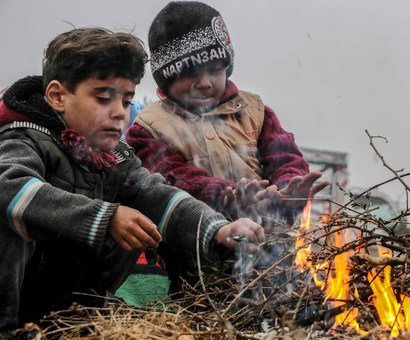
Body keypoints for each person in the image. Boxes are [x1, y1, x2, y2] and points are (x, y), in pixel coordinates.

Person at [0, 27, 264, 332]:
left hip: (58, 311)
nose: (119, 114)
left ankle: (79, 328)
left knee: (146, 220)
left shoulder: (114, 156)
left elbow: (155, 194)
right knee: (11, 211)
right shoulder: (21, 137)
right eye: (103, 99)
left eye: (126, 101)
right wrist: (104, 217)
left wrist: (217, 228)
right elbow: (10, 187)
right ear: (58, 96)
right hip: (17, 300)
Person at [126, 1, 328, 227]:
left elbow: (285, 158)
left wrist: (288, 186)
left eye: (214, 70)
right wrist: (225, 195)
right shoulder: (149, 129)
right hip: (194, 249)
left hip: (268, 246)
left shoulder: (255, 112)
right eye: (190, 73)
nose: (205, 83)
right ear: (167, 77)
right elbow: (173, 178)